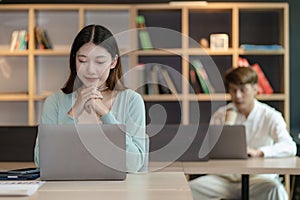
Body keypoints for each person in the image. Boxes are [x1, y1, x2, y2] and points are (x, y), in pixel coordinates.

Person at [34, 24, 148, 173]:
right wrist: (74, 112)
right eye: (82, 61)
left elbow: (133, 165)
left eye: (99, 62)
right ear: (74, 60)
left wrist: (106, 114)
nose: (90, 70)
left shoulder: (132, 101)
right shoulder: (55, 102)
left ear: (113, 62)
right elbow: (41, 162)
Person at [190, 67, 296, 200]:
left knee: (276, 190)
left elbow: (290, 146)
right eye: (233, 90)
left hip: (257, 180)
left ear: (255, 89)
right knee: (187, 190)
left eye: (243, 90)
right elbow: (206, 148)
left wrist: (259, 152)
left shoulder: (270, 116)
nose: (238, 96)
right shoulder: (221, 115)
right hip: (224, 180)